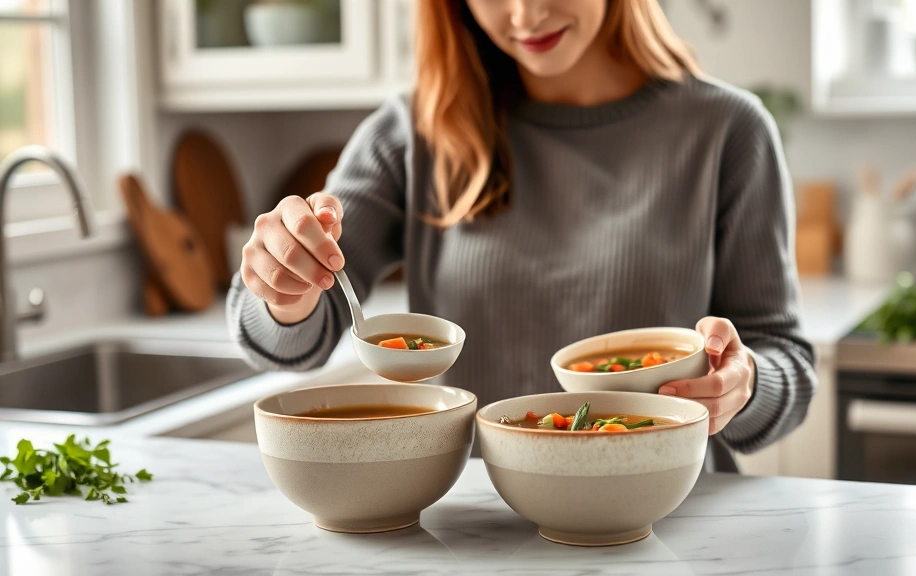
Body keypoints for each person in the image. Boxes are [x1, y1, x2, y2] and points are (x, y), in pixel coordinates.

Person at [227, 0, 816, 472]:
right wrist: (284, 288)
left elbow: (783, 362)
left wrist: (742, 385)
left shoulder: (729, 131)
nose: (525, 15)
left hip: (663, 520)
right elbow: (285, 335)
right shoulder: (413, 132)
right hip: (479, 533)